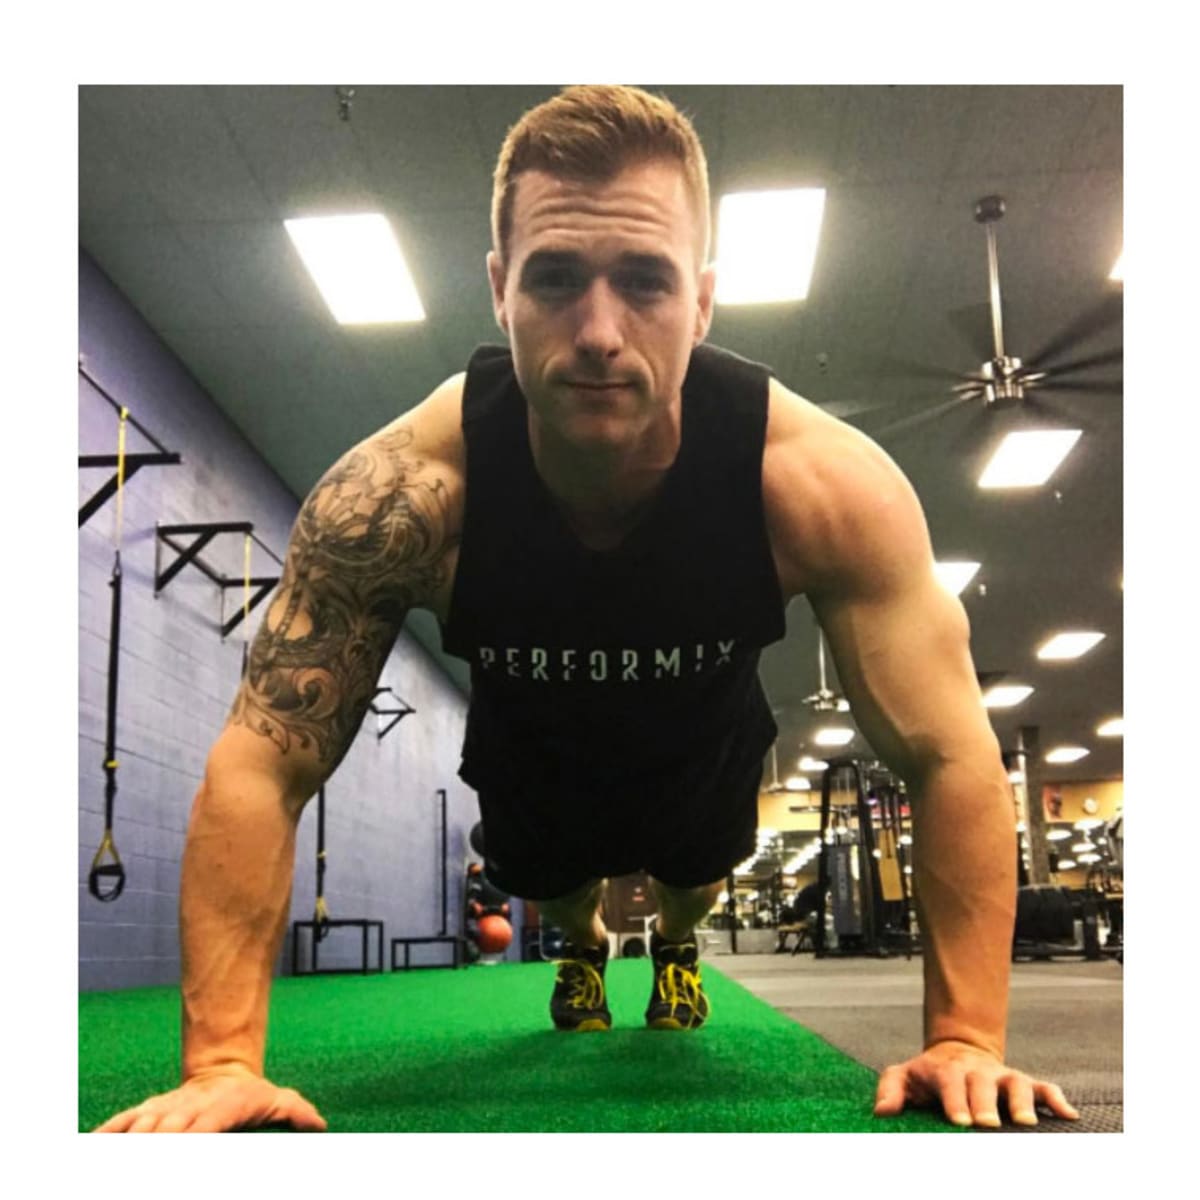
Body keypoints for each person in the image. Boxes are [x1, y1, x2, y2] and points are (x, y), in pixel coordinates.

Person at [96, 84, 1080, 1133]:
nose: (600, 332)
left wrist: (965, 1039)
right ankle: (585, 949)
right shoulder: (401, 496)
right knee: (559, 892)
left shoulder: (818, 484)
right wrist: (220, 1066)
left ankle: (677, 946)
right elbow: (262, 759)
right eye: (556, 278)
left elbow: (951, 754)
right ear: (499, 290)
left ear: (702, 302)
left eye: (646, 281)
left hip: (702, 746)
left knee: (695, 881)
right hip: (533, 752)